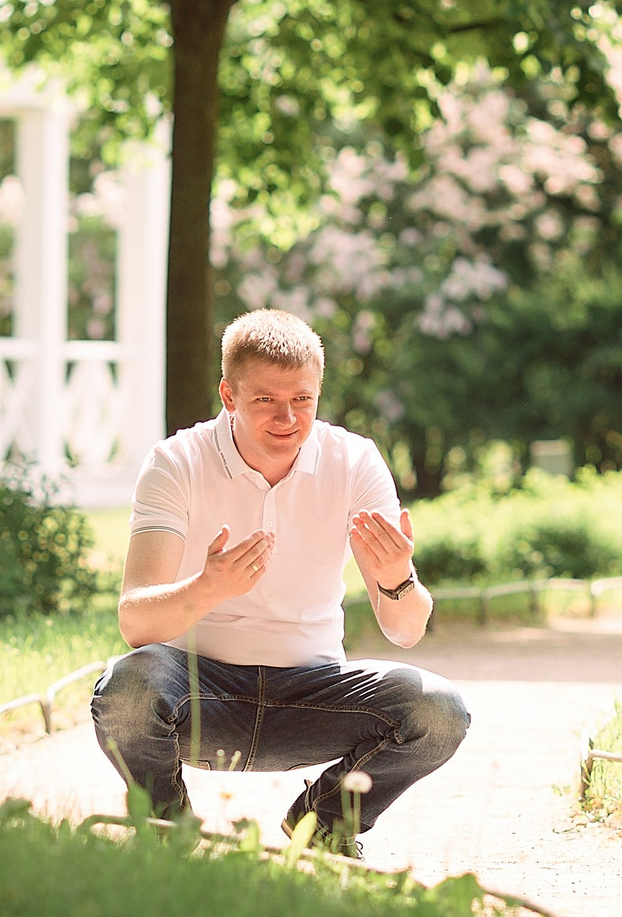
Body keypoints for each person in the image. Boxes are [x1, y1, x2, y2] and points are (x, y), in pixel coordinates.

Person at [91, 309, 470, 856]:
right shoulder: (177, 461)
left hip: (313, 697)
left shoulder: (354, 460)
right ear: (228, 396)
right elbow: (136, 623)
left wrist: (396, 580)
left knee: (439, 710)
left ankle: (324, 826)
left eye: (304, 400)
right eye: (266, 400)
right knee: (126, 690)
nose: (288, 418)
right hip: (200, 693)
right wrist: (206, 589)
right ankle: (170, 834)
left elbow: (406, 631)